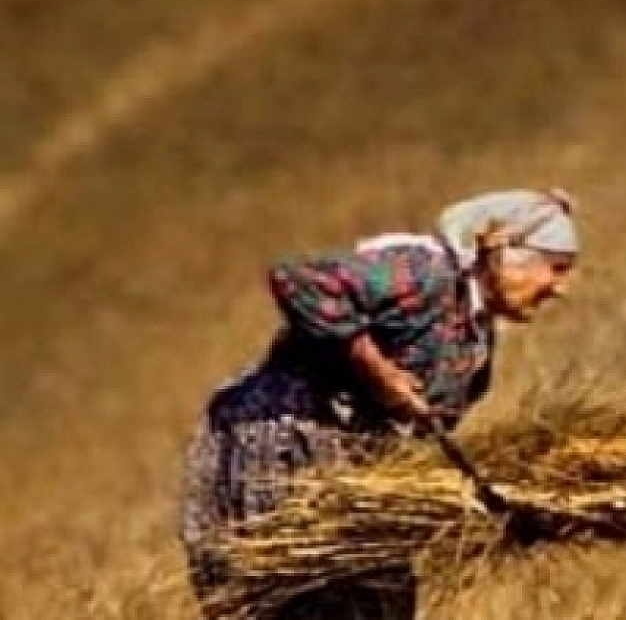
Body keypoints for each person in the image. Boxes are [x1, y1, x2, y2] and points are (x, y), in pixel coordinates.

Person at [179, 188, 580, 619]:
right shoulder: (422, 271)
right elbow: (299, 280)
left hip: (354, 470)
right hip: (286, 445)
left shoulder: (475, 338)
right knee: (290, 601)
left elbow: (427, 433)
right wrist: (378, 371)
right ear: (504, 250)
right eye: (554, 269)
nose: (560, 289)